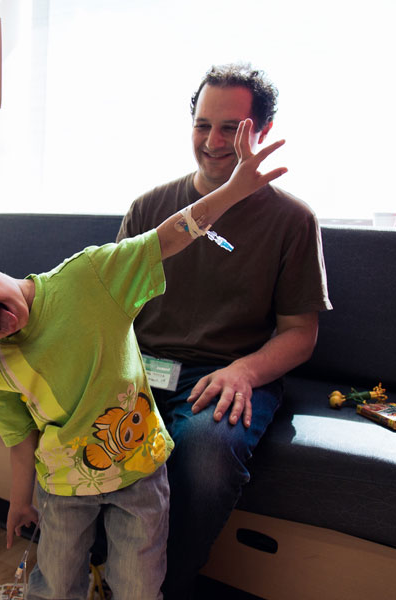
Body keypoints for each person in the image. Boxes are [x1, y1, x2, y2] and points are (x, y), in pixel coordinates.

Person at [0, 119, 287, 600]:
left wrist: (232, 190)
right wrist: (20, 501)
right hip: (62, 490)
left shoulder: (89, 277)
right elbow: (22, 442)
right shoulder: (0, 375)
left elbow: (167, 238)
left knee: (139, 587)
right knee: (56, 586)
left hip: (140, 469)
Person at [117, 63, 332, 598]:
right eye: (202, 125)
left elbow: (300, 332)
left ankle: (163, 589)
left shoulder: (293, 222)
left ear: (259, 132)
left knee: (207, 453)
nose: (212, 142)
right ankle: (100, 568)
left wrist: (244, 371)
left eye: (230, 128)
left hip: (228, 373)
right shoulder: (150, 207)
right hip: (141, 364)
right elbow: (108, 301)